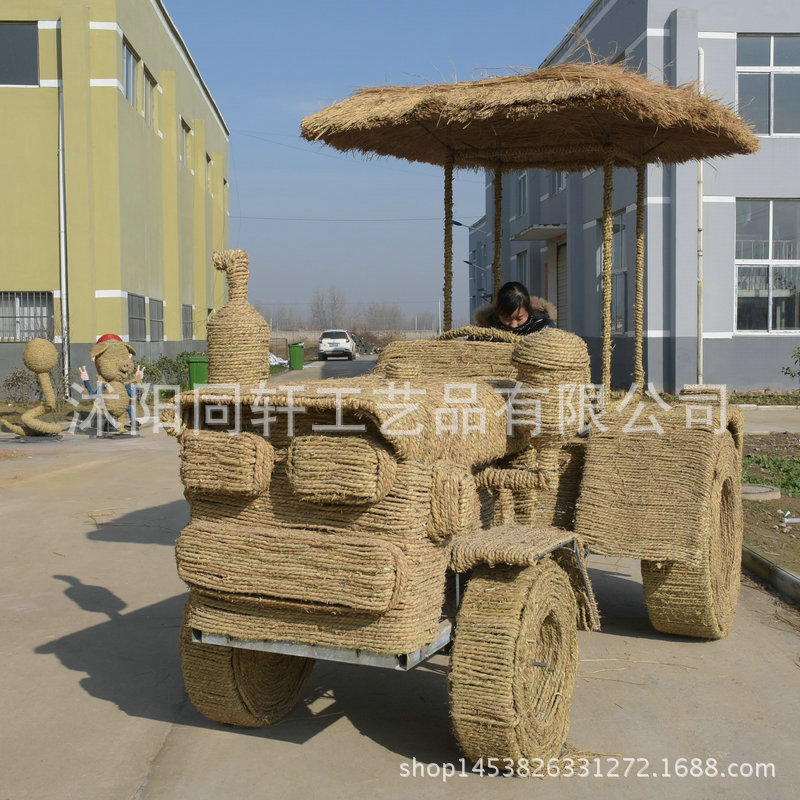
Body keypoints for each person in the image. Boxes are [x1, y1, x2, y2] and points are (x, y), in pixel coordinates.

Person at [474, 281, 556, 335]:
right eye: (507, 318)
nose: (513, 325)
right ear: (497, 313)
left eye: (519, 318)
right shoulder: (484, 331)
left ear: (529, 311)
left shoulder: (544, 328)